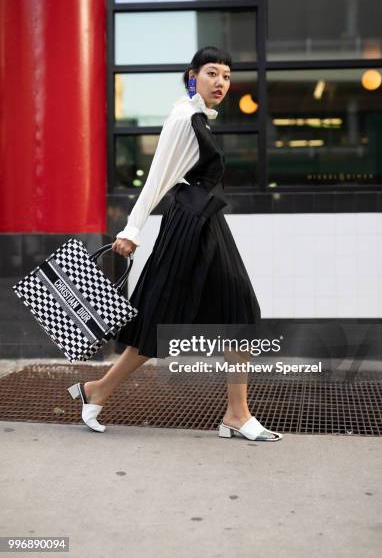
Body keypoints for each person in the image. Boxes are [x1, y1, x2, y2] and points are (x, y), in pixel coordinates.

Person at [67, 46, 283, 442]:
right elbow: (158, 177)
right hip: (189, 224)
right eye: (213, 73)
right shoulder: (184, 117)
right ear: (192, 76)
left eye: (227, 77)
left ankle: (236, 413)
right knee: (164, 316)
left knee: (238, 310)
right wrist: (132, 230)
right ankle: (98, 390)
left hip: (206, 223)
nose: (221, 82)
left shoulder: (199, 118)